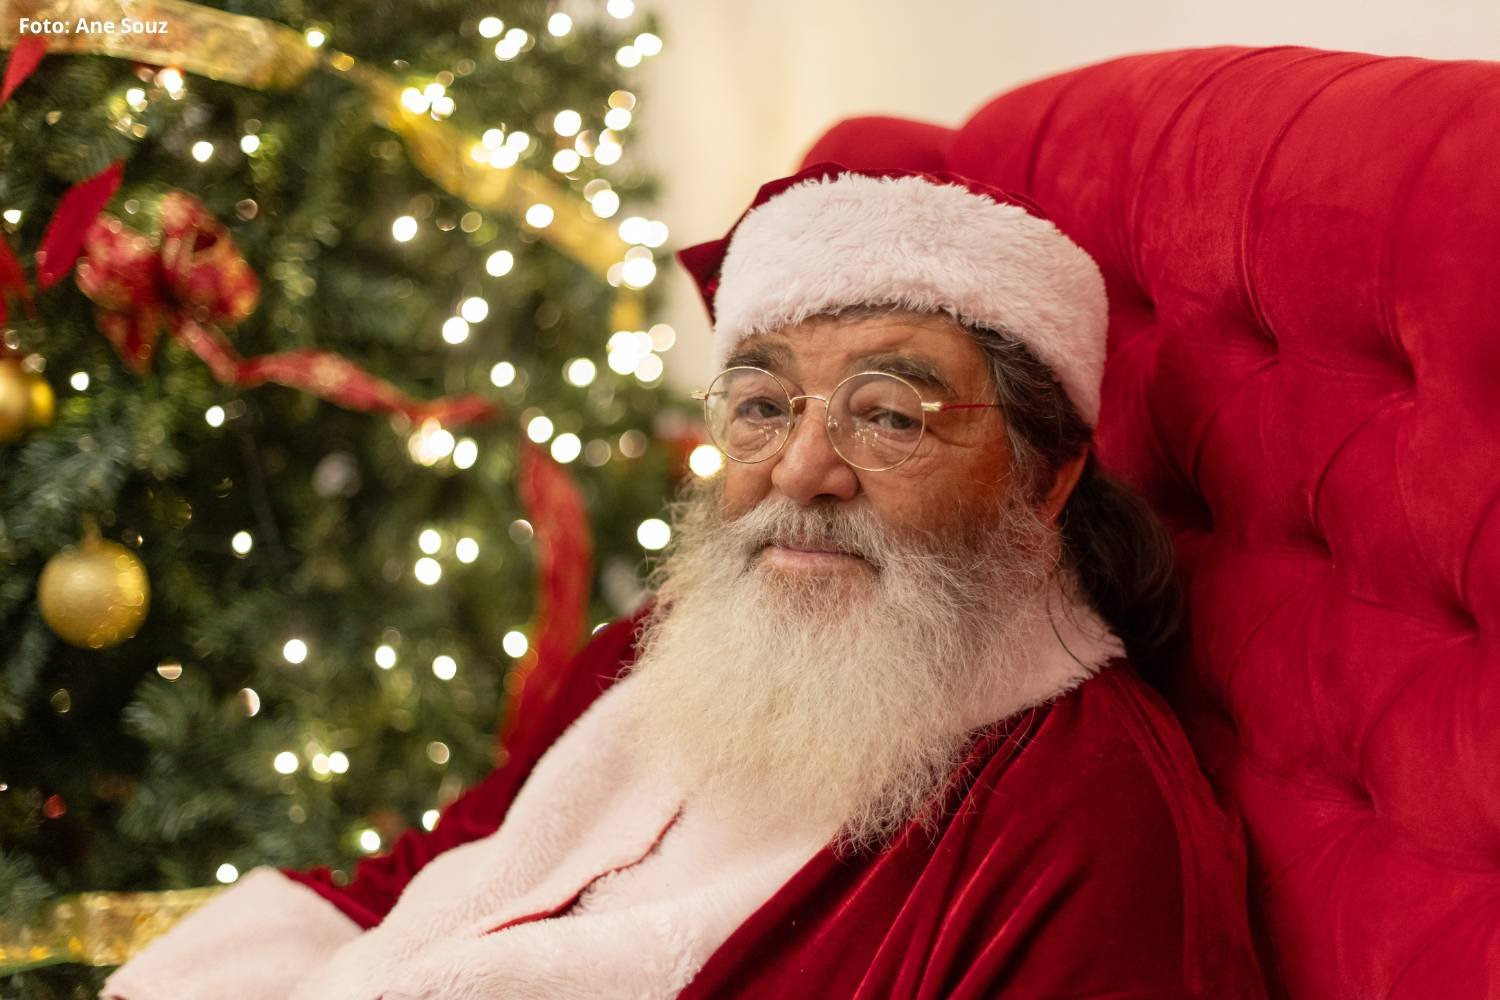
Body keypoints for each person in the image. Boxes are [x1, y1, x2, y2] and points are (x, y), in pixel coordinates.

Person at [101, 162, 1267, 999]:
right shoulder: (677, 636)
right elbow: (427, 878)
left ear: (1048, 476)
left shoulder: (1092, 824)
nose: (802, 471)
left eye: (892, 417)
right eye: (763, 408)